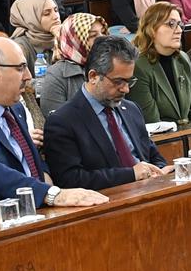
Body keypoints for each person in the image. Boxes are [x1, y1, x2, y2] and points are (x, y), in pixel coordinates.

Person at [0, 35, 110, 220]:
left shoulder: (15, 108)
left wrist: (45, 174)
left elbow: (26, 160)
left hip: (37, 212)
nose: (29, 76)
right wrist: (52, 194)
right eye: (20, 68)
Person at [40, 33, 172, 191]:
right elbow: (70, 180)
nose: (126, 89)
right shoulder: (63, 121)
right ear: (93, 76)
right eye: (118, 82)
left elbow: (153, 156)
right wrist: (130, 175)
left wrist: (160, 170)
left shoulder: (131, 109)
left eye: (129, 81)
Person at [129, 3, 191, 127]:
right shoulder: (139, 66)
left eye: (180, 25)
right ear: (152, 29)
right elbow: (153, 123)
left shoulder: (183, 58)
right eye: (171, 24)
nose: (179, 30)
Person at [34, 13, 105, 117]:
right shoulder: (57, 75)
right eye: (93, 35)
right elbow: (56, 123)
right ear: (75, 40)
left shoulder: (108, 66)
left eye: (103, 33)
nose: (102, 39)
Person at [7, 0, 60, 73]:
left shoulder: (62, 36)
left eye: (56, 10)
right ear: (30, 18)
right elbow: (18, 81)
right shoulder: (19, 47)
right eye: (47, 13)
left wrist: (62, 38)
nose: (56, 16)